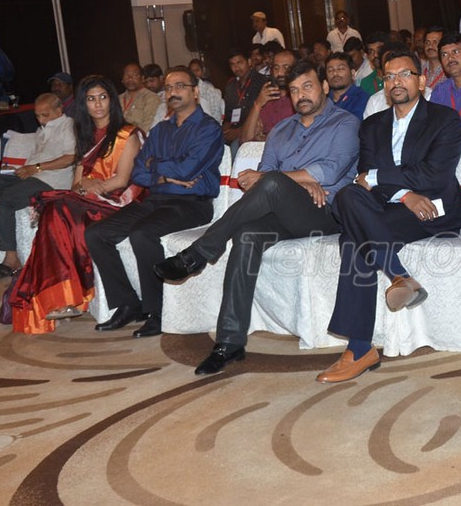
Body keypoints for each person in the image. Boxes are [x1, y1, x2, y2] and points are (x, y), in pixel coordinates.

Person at [154, 60, 360, 375]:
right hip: (283, 211)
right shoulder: (281, 130)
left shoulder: (346, 123)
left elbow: (328, 172)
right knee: (247, 234)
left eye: (307, 86)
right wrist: (299, 180)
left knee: (274, 182)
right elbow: (261, 180)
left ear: (324, 86)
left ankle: (199, 252)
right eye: (294, 90)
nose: (301, 95)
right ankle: (229, 343)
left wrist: (283, 180)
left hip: (324, 214)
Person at [316, 49, 461, 384]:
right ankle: (399, 275)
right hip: (392, 206)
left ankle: (359, 348)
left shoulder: (444, 119)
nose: (396, 82)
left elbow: (433, 175)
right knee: (346, 197)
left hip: (433, 207)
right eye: (389, 76)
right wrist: (404, 194)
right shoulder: (373, 125)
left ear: (421, 80)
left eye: (404, 74)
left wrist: (380, 178)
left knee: (353, 238)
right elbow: (362, 179)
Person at [87, 67, 223, 338]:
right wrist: (164, 177)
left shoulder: (208, 128)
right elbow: (138, 173)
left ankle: (157, 312)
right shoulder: (160, 130)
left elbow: (187, 170)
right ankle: (128, 303)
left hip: (192, 204)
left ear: (195, 92)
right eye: (169, 88)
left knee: (142, 233)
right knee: (96, 233)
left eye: (180, 86)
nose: (173, 92)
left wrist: (156, 165)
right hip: (157, 199)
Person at [7, 76, 144, 333]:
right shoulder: (85, 136)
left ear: (112, 101)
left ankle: (63, 295)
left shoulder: (127, 134)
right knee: (55, 210)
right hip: (89, 200)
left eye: (103, 97)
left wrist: (94, 187)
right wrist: (86, 186)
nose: (98, 104)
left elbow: (122, 180)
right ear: (84, 104)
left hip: (117, 203)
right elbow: (76, 184)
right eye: (91, 99)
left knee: (58, 210)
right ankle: (62, 296)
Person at [0, 94, 76, 282]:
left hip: (52, 180)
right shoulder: (41, 130)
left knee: (7, 198)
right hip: (32, 175)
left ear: (59, 110)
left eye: (45, 115)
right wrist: (21, 169)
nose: (41, 120)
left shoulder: (69, 125)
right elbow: (37, 159)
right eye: (37, 115)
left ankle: (11, 260)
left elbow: (71, 157)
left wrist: (36, 168)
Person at [240, 48, 297, 143]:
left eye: (286, 67)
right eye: (276, 68)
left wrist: (266, 138)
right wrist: (258, 104)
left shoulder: (299, 99)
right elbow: (245, 139)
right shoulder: (266, 98)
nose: (280, 73)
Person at [221, 49, 267, 148]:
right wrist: (226, 128)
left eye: (239, 63)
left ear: (249, 62)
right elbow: (228, 114)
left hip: (253, 131)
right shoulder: (231, 85)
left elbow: (264, 116)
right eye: (232, 64)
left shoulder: (262, 82)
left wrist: (239, 131)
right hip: (233, 130)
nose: (236, 67)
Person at [325, 51, 369, 119]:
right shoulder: (323, 100)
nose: (335, 73)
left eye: (340, 69)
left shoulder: (362, 98)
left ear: (352, 73)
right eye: (330, 70)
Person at [118, 63, 162, 132]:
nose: (130, 78)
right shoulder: (117, 99)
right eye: (127, 75)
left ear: (142, 78)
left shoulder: (151, 98)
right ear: (122, 79)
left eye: (135, 75)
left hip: (139, 137)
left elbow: (148, 126)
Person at [421, 26, 446, 92]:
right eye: (427, 42)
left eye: (435, 42)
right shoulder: (419, 70)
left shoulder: (449, 72)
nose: (430, 46)